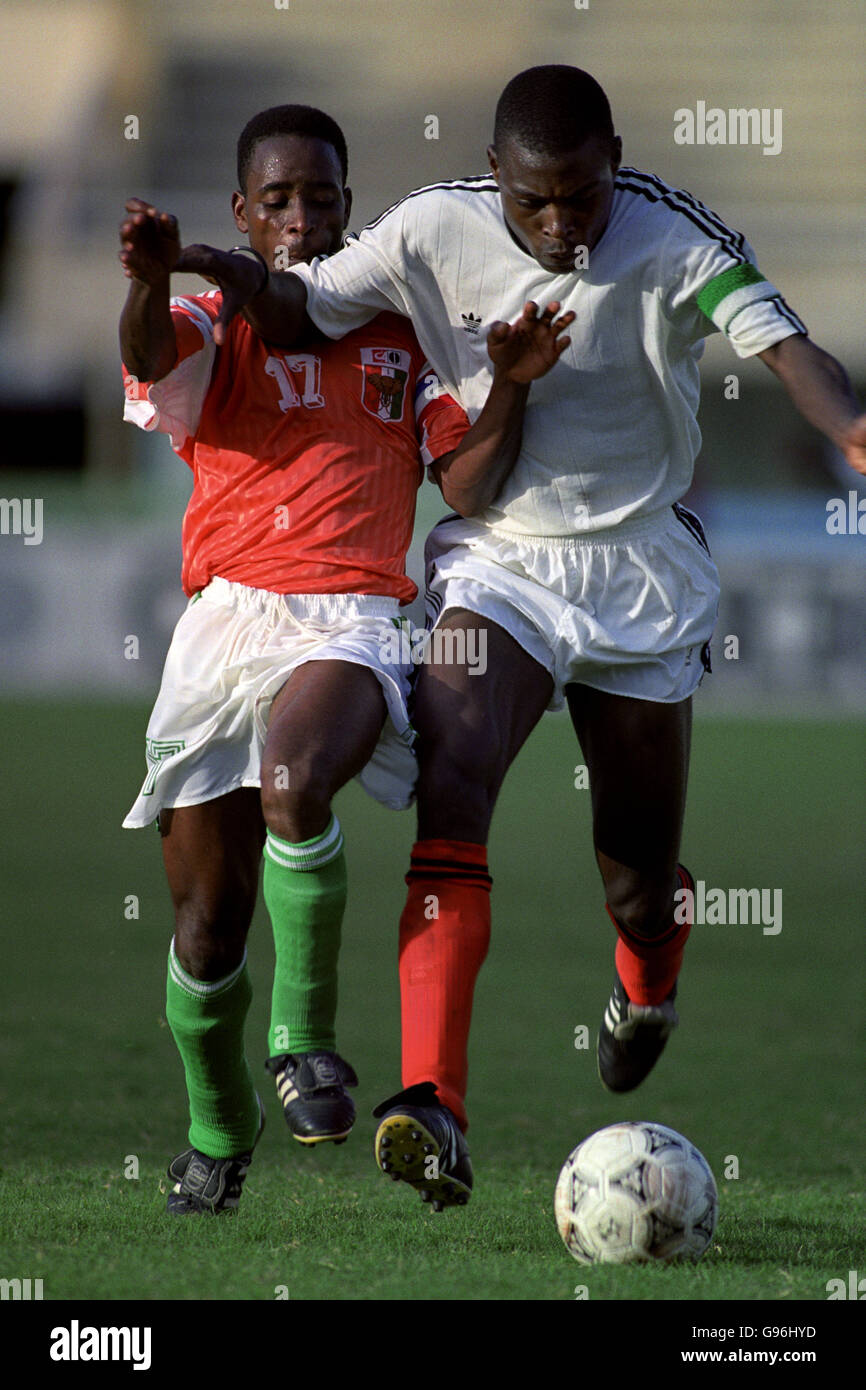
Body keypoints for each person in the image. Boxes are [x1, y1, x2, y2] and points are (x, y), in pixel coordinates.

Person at [174, 65, 866, 1214]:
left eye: (582, 197)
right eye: (534, 201)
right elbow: (301, 307)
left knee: (637, 879)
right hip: (498, 560)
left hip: (638, 566)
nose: (559, 224)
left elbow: (786, 347)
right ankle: (432, 1103)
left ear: (614, 164)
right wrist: (221, 268)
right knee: (453, 780)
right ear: (496, 173)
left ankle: (646, 982)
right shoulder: (428, 226)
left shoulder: (674, 232)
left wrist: (846, 426)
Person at [119, 102, 573, 1215]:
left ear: (348, 206)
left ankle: (305, 1040)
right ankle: (218, 1131)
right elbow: (144, 355)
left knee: (295, 780)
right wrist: (145, 278)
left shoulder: (399, 334)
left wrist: (508, 381)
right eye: (276, 198)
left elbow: (462, 481)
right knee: (205, 926)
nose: (301, 217)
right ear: (242, 212)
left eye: (321, 195)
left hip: (352, 619)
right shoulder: (208, 318)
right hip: (224, 621)